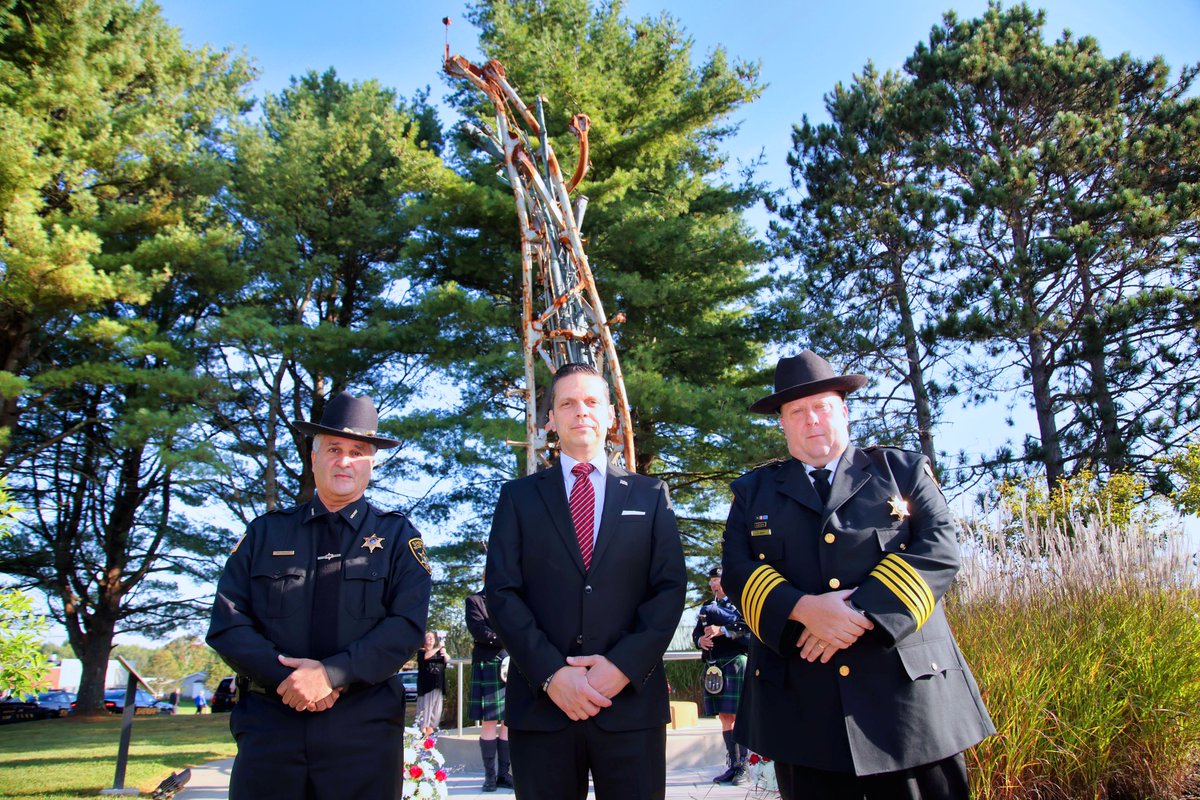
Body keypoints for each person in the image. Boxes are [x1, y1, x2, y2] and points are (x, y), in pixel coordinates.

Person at [721, 351, 994, 799]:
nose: (812, 419)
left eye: (822, 406)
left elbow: (939, 549)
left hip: (909, 704)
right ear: (783, 424)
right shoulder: (753, 493)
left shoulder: (901, 471)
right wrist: (804, 610)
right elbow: (737, 570)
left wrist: (856, 614)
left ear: (844, 412)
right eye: (797, 412)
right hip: (805, 713)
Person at [207, 391, 432, 800]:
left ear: (372, 464)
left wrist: (330, 675)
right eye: (333, 449)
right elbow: (228, 623)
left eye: (357, 452)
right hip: (271, 727)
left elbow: (405, 627)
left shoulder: (399, 537)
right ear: (313, 459)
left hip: (363, 732)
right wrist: (292, 681)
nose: (344, 461)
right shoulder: (265, 533)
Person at [485, 363, 687, 800]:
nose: (581, 412)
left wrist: (622, 667)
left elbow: (669, 589)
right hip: (543, 707)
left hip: (630, 704)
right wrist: (552, 674)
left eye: (592, 402)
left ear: (611, 415)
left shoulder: (651, 495)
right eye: (568, 403)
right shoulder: (517, 498)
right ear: (550, 419)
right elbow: (501, 593)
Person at [691, 566, 751, 785]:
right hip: (715, 665)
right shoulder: (708, 606)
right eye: (712, 581)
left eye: (718, 579)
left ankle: (744, 767)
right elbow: (696, 633)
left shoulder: (741, 603)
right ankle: (733, 765)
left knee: (738, 715)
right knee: (725, 716)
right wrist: (701, 641)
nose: (714, 583)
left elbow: (748, 629)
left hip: (736, 663)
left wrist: (722, 630)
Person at [466, 583, 513, 792]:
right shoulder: (474, 601)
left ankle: (504, 774)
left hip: (509, 664)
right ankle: (490, 777)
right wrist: (510, 640)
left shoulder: (509, 599)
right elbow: (479, 631)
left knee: (507, 722)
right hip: (488, 662)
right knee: (489, 721)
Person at [416, 630, 448, 736]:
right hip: (426, 686)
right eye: (428, 637)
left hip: (438, 685)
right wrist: (438, 647)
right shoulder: (421, 651)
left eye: (432, 637)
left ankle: (430, 734)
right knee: (425, 710)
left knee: (436, 711)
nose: (430, 639)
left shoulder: (439, 652)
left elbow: (448, 660)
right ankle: (422, 733)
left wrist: (444, 653)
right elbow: (426, 656)